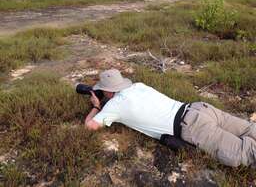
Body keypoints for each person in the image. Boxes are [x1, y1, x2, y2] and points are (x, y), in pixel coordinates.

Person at [84, 69, 256, 167]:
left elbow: (90, 126)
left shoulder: (114, 106)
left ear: (106, 91)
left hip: (192, 126)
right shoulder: (138, 86)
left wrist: (97, 106)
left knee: (242, 154)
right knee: (249, 129)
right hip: (199, 108)